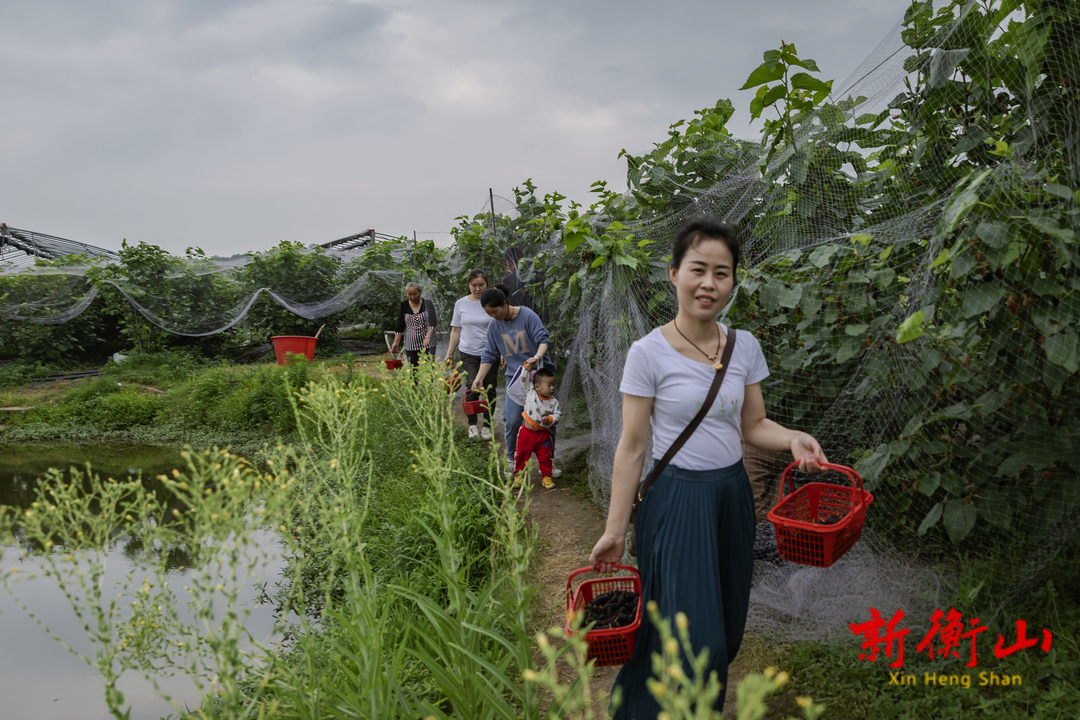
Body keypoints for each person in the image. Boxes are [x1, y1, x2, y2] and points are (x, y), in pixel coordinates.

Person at [588, 218, 828, 718]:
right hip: (675, 502)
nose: (709, 283)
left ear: (732, 282)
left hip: (731, 498)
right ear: (674, 274)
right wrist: (615, 531)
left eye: (722, 273)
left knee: (726, 630)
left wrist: (793, 439)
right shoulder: (647, 353)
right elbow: (632, 448)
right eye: (698, 270)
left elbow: (753, 424)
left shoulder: (744, 346)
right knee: (699, 644)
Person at [470, 284, 562, 478]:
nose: (493, 316)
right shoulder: (495, 326)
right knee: (512, 420)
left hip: (539, 378)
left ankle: (548, 464)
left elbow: (544, 339)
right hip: (516, 380)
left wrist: (536, 358)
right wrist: (478, 377)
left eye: (495, 311)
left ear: (505, 303)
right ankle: (512, 460)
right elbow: (489, 354)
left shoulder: (527, 316)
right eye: (489, 313)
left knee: (547, 421)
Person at [444, 269, 498, 439]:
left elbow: (501, 328)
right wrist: (450, 353)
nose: (477, 288)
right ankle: (472, 424)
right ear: (468, 285)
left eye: (481, 285)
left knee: (489, 389)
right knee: (472, 387)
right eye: (473, 285)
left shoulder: (493, 301)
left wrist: (503, 351)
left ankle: (487, 426)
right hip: (468, 352)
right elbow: (455, 330)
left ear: (487, 284)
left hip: (490, 352)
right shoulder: (461, 304)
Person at [511, 365, 561, 490]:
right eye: (548, 385)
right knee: (521, 455)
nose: (552, 388)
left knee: (545, 458)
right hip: (526, 434)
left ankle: (546, 477)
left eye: (553, 384)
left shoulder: (554, 402)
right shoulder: (530, 392)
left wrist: (550, 419)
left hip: (543, 436)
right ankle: (519, 476)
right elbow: (523, 378)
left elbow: (558, 415)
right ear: (537, 386)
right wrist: (526, 368)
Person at [390, 282, 437, 367]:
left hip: (428, 342)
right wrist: (395, 342)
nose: (413, 297)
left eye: (415, 294)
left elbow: (432, 322)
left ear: (420, 292)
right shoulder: (404, 305)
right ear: (406, 294)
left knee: (428, 369)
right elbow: (400, 326)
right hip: (411, 343)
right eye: (410, 294)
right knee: (414, 370)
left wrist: (428, 336)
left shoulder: (428, 304)